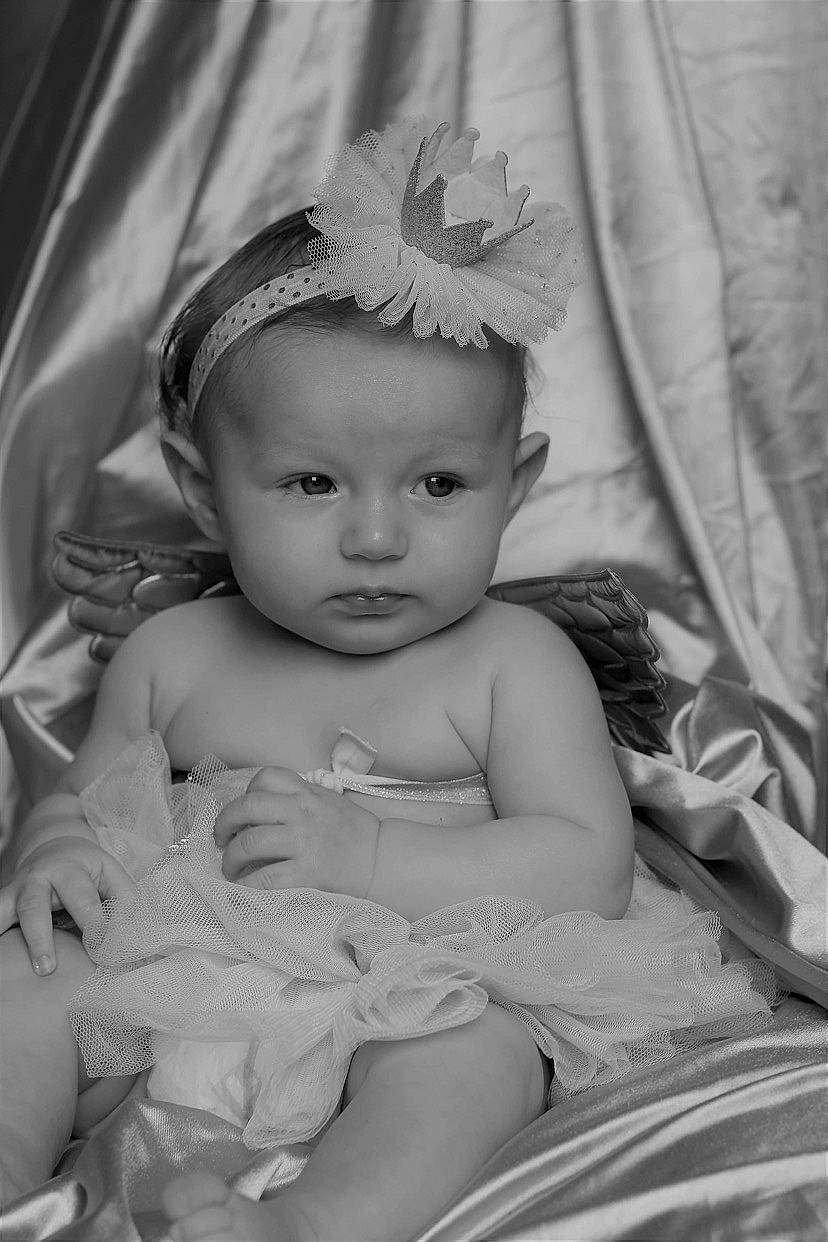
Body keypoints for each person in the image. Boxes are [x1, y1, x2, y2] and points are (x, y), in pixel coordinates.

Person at [0, 119, 772, 1242]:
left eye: (440, 485)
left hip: (431, 970)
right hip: (186, 970)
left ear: (516, 487)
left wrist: (368, 857)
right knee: (31, 978)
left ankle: (316, 1224)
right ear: (205, 494)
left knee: (472, 1059)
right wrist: (55, 847)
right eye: (313, 483)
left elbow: (585, 863)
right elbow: (84, 801)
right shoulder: (176, 658)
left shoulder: (514, 662)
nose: (375, 536)